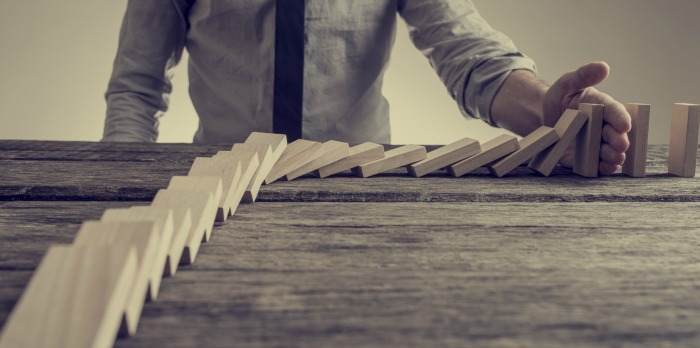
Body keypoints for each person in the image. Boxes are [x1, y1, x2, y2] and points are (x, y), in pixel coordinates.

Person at [103, 0, 630, 175]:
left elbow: (468, 53)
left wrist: (545, 110)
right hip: (220, 188)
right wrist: (121, 188)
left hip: (357, 188)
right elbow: (137, 86)